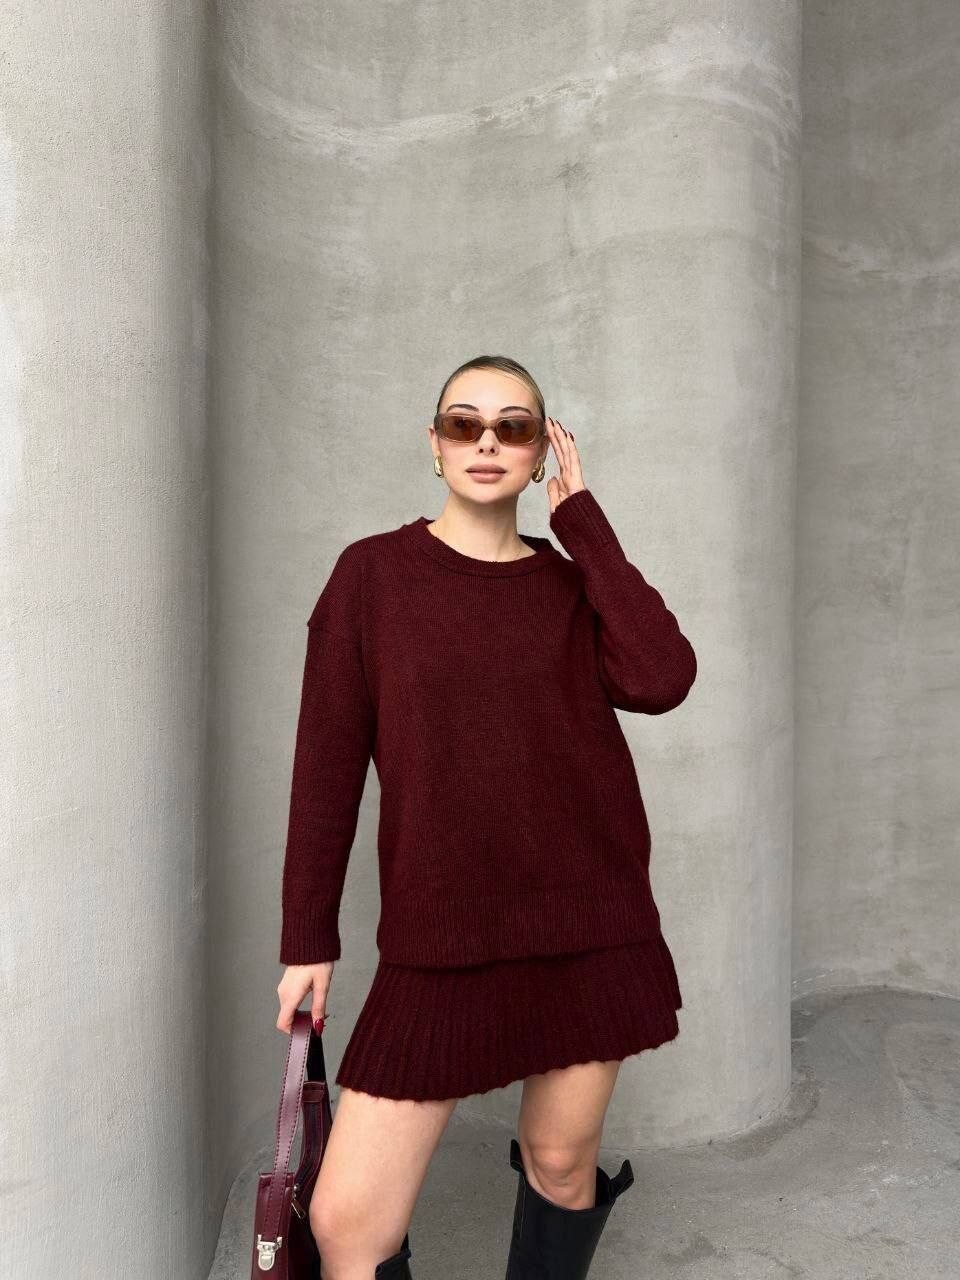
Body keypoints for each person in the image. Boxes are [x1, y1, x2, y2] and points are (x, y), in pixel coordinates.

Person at [275, 355, 697, 1280]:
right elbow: (326, 767)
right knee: (346, 1223)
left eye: (514, 426)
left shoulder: (570, 585)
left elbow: (664, 677)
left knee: (561, 1162)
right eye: (464, 424)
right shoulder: (372, 577)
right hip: (444, 932)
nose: (488, 442)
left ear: (543, 450)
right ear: (434, 446)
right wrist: (308, 937)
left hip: (590, 922)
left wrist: (583, 526)